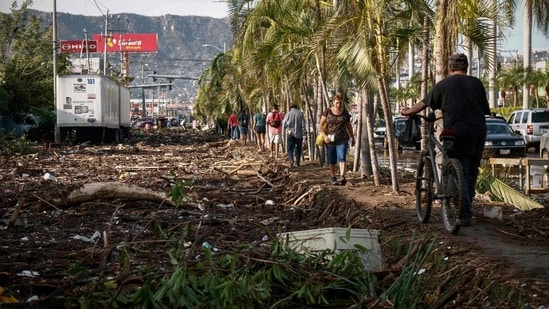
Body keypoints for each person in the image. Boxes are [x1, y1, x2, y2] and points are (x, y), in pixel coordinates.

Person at [401, 53, 490, 226]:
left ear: (450, 68)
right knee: (472, 171)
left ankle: (463, 213)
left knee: (461, 170)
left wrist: (408, 112)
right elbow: (484, 109)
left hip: (456, 133)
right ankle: (467, 208)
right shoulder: (477, 84)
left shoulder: (444, 84)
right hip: (478, 132)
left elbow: (423, 104)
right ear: (466, 67)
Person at [319, 93, 355, 185]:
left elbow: (349, 126)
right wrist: (324, 136)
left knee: (342, 157)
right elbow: (320, 125)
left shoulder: (345, 113)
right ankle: (333, 177)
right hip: (330, 140)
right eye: (337, 103)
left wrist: (352, 137)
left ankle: (343, 176)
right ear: (333, 102)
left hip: (342, 139)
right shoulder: (328, 111)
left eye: (340, 103)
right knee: (332, 159)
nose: (338, 105)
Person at [283, 103, 307, 167]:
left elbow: (284, 124)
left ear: (290, 107)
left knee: (290, 148)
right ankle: (297, 162)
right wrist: (304, 135)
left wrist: (288, 128)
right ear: (297, 107)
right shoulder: (300, 113)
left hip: (290, 133)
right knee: (298, 148)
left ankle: (291, 159)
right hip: (299, 134)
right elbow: (303, 126)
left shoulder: (288, 114)